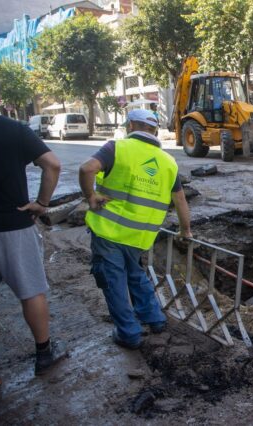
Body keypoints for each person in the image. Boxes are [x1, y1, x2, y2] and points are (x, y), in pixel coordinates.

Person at [0, 67, 67, 389]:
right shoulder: (14, 129)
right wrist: (42, 202)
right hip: (13, 224)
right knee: (31, 290)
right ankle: (43, 354)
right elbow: (52, 164)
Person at [79, 109, 192, 350]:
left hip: (108, 231)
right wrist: (186, 232)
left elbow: (87, 168)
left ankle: (129, 333)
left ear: (130, 126)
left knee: (113, 281)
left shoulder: (117, 148)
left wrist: (91, 196)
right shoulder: (168, 162)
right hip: (140, 236)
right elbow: (181, 200)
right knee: (135, 274)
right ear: (155, 131)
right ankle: (154, 318)